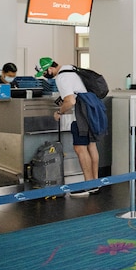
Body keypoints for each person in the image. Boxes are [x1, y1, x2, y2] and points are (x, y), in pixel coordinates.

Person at [36, 57, 108, 197]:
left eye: (44, 73)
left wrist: (59, 112)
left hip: (81, 114)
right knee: (91, 146)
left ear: (49, 69)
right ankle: (95, 183)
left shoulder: (62, 78)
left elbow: (70, 101)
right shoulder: (71, 69)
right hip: (92, 110)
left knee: (80, 148)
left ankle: (88, 185)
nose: (46, 77)